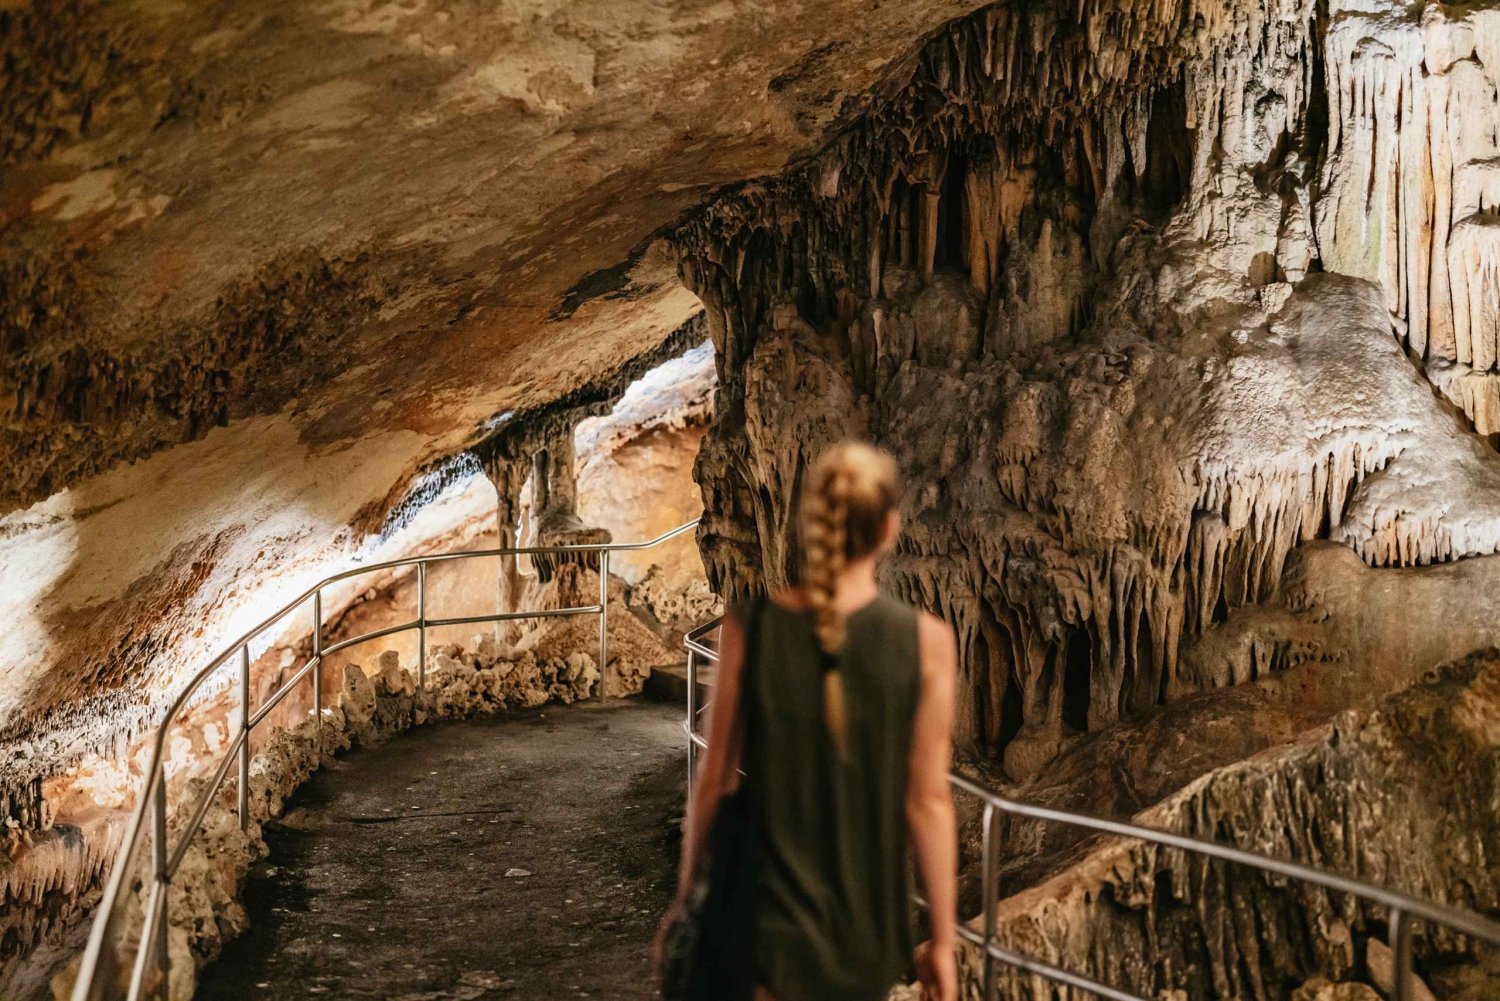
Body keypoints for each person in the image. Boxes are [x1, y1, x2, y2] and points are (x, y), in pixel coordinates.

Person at [657, 441, 960, 1001]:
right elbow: (928, 802)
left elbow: (715, 779)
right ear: (890, 529)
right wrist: (942, 940)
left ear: (809, 523)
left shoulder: (752, 628)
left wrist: (684, 899)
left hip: (765, 924)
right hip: (867, 932)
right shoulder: (927, 643)